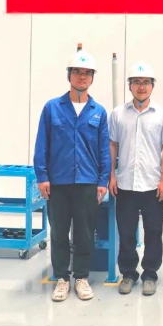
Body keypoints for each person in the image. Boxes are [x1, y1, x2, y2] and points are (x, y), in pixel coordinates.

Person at [33, 48, 111, 302]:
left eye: (87, 72)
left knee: (85, 233)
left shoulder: (98, 112)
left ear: (92, 77)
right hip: (58, 182)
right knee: (59, 232)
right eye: (77, 71)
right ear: (69, 75)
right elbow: (41, 145)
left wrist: (102, 180)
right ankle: (61, 279)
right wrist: (42, 177)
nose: (82, 76)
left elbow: (104, 149)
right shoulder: (52, 108)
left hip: (87, 182)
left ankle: (81, 277)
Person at [108, 61, 163, 297]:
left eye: (146, 82)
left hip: (152, 185)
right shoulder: (118, 114)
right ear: (130, 86)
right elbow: (112, 145)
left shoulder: (162, 115)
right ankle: (128, 273)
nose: (141, 87)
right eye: (137, 82)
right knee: (126, 232)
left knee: (153, 232)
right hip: (125, 184)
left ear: (152, 86)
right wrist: (111, 175)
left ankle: (150, 274)